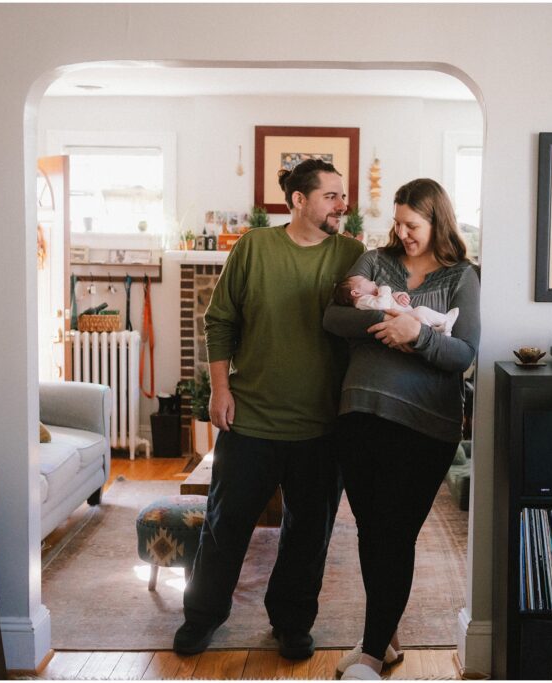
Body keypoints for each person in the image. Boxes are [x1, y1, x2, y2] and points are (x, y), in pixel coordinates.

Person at [173, 159, 364, 660]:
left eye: (343, 196)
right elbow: (220, 321)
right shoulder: (254, 248)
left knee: (309, 536)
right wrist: (219, 390)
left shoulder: (352, 254)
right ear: (298, 201)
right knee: (225, 526)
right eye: (331, 196)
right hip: (251, 418)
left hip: (322, 426)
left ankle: (292, 623)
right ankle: (203, 617)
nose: (342, 206)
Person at [323, 178, 480, 680]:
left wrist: (416, 336)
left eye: (412, 225)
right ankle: (383, 638)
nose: (403, 233)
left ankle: (370, 654)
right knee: (374, 532)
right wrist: (384, 319)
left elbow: (464, 354)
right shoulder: (375, 262)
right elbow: (331, 316)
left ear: (437, 222)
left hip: (424, 426)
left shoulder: (461, 277)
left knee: (396, 532)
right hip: (362, 413)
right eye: (398, 223)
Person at [333, 274, 460, 336]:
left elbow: (387, 302)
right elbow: (382, 304)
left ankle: (441, 330)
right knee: (421, 310)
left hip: (408, 316)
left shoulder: (370, 298)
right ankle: (445, 320)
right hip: (406, 319)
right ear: (356, 292)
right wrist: (385, 288)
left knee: (422, 316)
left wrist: (398, 296)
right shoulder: (362, 301)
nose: (372, 281)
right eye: (366, 281)